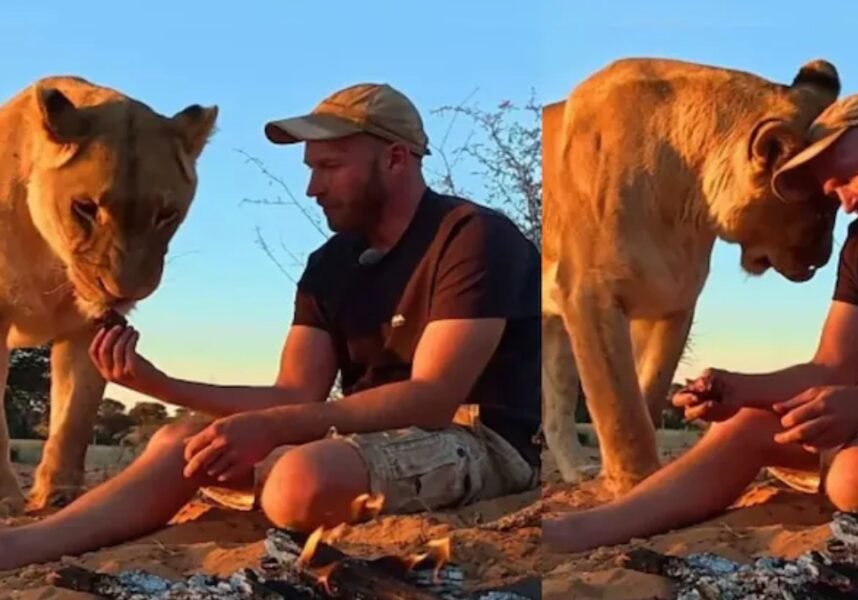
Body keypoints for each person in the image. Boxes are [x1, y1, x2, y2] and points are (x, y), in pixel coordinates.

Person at [0, 82, 541, 570]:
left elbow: (433, 398)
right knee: (180, 442)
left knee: (299, 479)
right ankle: (23, 546)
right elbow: (293, 393)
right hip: (361, 438)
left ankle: (286, 484)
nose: (312, 188)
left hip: (475, 437)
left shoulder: (472, 237)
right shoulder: (330, 263)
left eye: (329, 167)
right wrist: (154, 383)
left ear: (395, 158)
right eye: (311, 169)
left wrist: (276, 428)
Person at [543, 92, 858, 554]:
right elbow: (830, 369)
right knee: (748, 425)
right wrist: (739, 389)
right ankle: (586, 530)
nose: (846, 204)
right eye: (832, 194)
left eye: (846, 177)